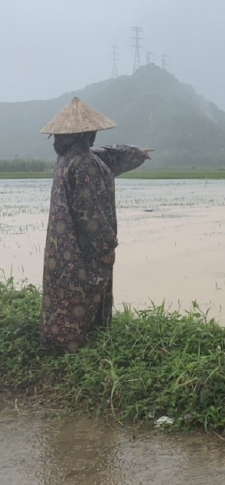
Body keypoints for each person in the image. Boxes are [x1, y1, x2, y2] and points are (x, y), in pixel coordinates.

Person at [39, 97, 153, 353]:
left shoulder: (69, 157)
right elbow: (89, 212)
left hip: (62, 249)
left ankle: (57, 342)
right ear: (87, 133)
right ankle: (83, 348)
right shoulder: (85, 164)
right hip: (82, 248)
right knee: (84, 292)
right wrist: (106, 246)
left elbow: (109, 155)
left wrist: (137, 153)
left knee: (62, 292)